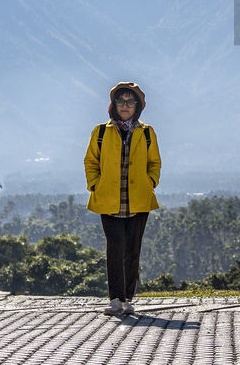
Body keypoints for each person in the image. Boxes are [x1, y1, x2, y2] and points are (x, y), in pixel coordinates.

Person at [84, 81, 161, 315]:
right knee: (115, 248)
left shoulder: (146, 132)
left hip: (138, 200)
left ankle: (128, 298)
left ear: (138, 105)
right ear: (113, 104)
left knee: (132, 250)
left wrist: (150, 183)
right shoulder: (100, 132)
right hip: (109, 200)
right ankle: (115, 299)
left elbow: (154, 163)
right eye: (121, 100)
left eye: (130, 101)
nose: (125, 105)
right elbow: (91, 161)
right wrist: (95, 185)